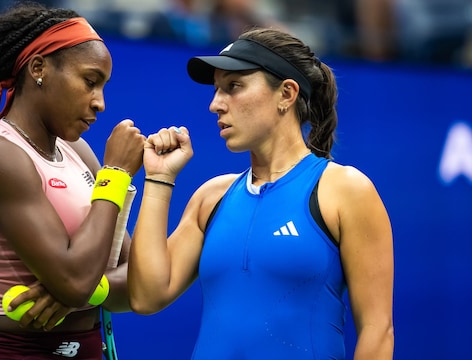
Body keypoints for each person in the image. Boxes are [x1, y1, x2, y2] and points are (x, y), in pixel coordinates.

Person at [128, 27, 394, 359]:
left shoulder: (346, 190)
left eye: (233, 87)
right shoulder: (211, 197)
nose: (215, 105)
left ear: (286, 93)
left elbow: (377, 330)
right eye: (216, 90)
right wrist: (158, 179)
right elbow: (146, 296)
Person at [0, 2, 145, 359]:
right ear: (39, 68)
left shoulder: (78, 151)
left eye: (103, 86)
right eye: (90, 81)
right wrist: (115, 175)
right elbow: (72, 282)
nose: (100, 103)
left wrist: (92, 290)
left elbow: (138, 282)